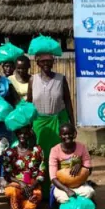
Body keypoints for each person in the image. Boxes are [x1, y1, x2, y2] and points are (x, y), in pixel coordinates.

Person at [27, 49, 74, 197]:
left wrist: (72, 123)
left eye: (49, 61)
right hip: (38, 124)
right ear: (38, 63)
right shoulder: (32, 80)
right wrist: (28, 125)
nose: (46, 64)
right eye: (43, 61)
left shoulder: (61, 79)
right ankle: (40, 191)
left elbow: (67, 101)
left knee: (58, 155)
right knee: (39, 156)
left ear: (53, 62)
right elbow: (28, 104)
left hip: (57, 121)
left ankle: (58, 190)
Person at [3, 125, 45, 209]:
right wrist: (20, 183)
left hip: (32, 186)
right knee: (11, 191)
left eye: (26, 133)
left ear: (30, 134)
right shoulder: (10, 153)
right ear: (17, 134)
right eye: (20, 133)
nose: (23, 135)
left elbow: (42, 172)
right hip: (17, 185)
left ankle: (25, 202)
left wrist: (32, 186)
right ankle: (15, 201)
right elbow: (7, 174)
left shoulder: (37, 150)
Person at [49, 123, 95, 207]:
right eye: (64, 134)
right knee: (63, 197)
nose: (67, 136)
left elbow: (89, 168)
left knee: (89, 192)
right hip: (62, 186)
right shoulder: (55, 150)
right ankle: (78, 203)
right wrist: (67, 190)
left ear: (75, 134)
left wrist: (80, 166)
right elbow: (53, 178)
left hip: (79, 184)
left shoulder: (82, 147)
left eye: (70, 134)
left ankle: (75, 204)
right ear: (60, 135)